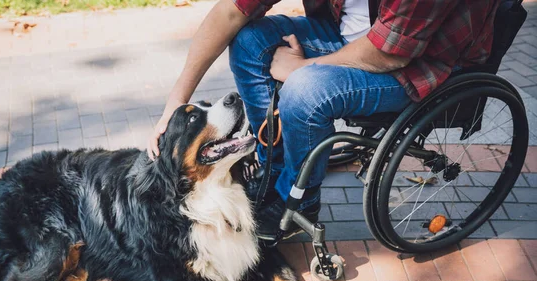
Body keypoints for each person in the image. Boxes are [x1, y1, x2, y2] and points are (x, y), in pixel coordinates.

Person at [147, 0, 499, 240]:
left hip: (423, 61)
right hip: (349, 38)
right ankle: (276, 168)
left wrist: (299, 68)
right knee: (250, 41)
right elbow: (232, 12)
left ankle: (298, 198)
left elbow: (390, 52)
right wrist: (175, 102)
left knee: (305, 89)